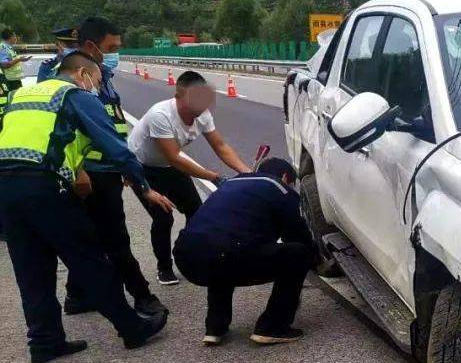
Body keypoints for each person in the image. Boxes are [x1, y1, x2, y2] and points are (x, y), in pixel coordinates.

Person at [0, 52, 175, 363]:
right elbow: (116, 149)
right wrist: (144, 188)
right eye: (95, 80)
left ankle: (44, 342)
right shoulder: (75, 95)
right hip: (43, 185)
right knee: (89, 258)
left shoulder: (20, 93)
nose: (96, 86)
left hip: (6, 186)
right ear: (82, 74)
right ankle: (131, 327)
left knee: (31, 268)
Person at [60, 17, 167, 317]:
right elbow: (63, 129)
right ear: (92, 46)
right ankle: (142, 297)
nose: (115, 53)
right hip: (89, 172)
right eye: (112, 48)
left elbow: (112, 122)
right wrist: (80, 170)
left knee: (93, 234)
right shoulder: (71, 78)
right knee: (116, 238)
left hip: (107, 168)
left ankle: (77, 296)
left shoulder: (101, 75)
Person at [173, 157, 315, 345]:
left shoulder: (229, 185)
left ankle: (215, 327)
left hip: (186, 257)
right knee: (298, 253)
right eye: (291, 183)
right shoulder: (280, 188)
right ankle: (272, 327)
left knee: (224, 251)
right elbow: (299, 236)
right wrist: (318, 261)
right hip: (227, 255)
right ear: (285, 176)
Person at [129, 70, 251, 285]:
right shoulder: (161, 115)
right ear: (178, 97)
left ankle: (194, 258)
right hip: (142, 168)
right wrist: (213, 177)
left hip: (170, 166)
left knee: (198, 211)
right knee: (163, 216)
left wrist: (248, 173)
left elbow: (221, 147)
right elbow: (174, 157)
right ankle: (164, 268)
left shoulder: (202, 114)